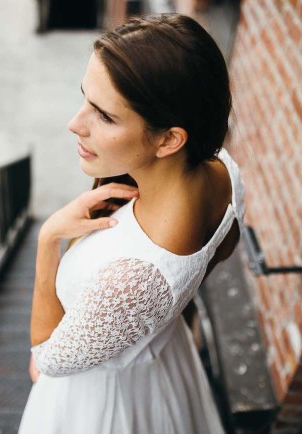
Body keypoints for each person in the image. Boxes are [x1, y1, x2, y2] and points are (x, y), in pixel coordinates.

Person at [18, 13, 246, 434]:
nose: (75, 123)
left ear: (169, 139)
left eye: (105, 116)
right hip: (161, 363)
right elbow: (221, 248)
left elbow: (47, 361)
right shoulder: (220, 170)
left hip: (104, 406)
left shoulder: (135, 277)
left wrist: (49, 239)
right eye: (85, 98)